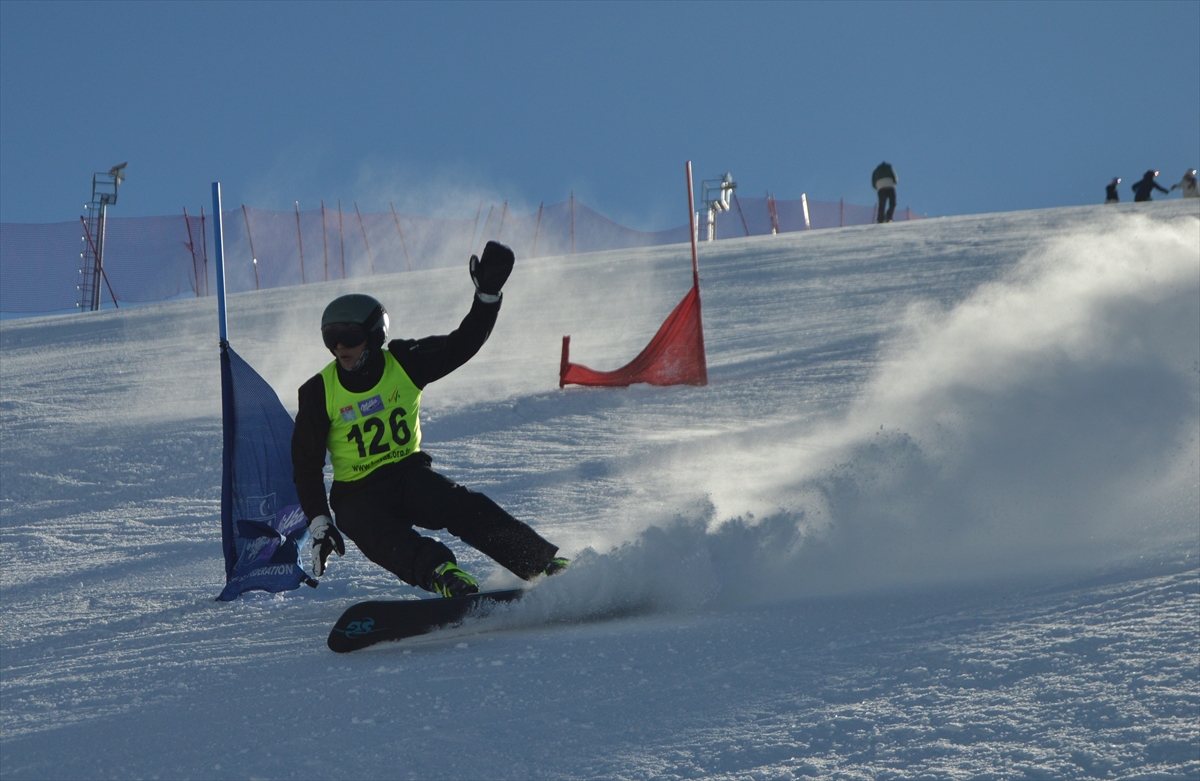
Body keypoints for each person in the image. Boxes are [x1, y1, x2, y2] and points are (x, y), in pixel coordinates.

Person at [291, 241, 567, 597]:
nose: (340, 347)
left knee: (460, 504)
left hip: (408, 476)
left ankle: (543, 564)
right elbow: (306, 464)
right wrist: (318, 520)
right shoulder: (318, 391)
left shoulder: (405, 362)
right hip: (357, 494)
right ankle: (445, 576)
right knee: (368, 528)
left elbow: (462, 344)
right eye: (331, 337)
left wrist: (487, 296)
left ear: (374, 335)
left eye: (350, 337)